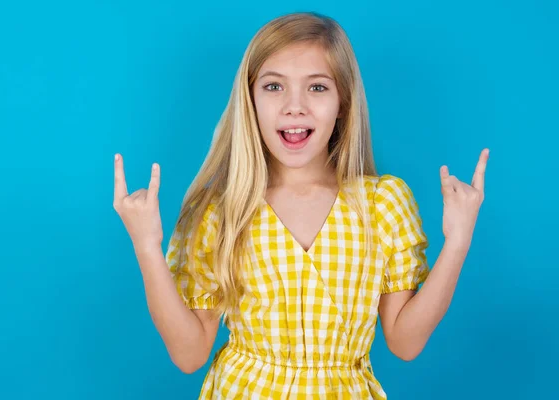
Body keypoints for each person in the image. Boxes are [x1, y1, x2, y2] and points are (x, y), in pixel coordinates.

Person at [113, 11, 489, 399]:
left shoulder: (382, 204)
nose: (295, 106)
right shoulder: (221, 211)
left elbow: (405, 343)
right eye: (274, 87)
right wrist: (146, 246)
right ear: (250, 99)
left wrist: (457, 242)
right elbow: (189, 355)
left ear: (343, 101)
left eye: (317, 88)